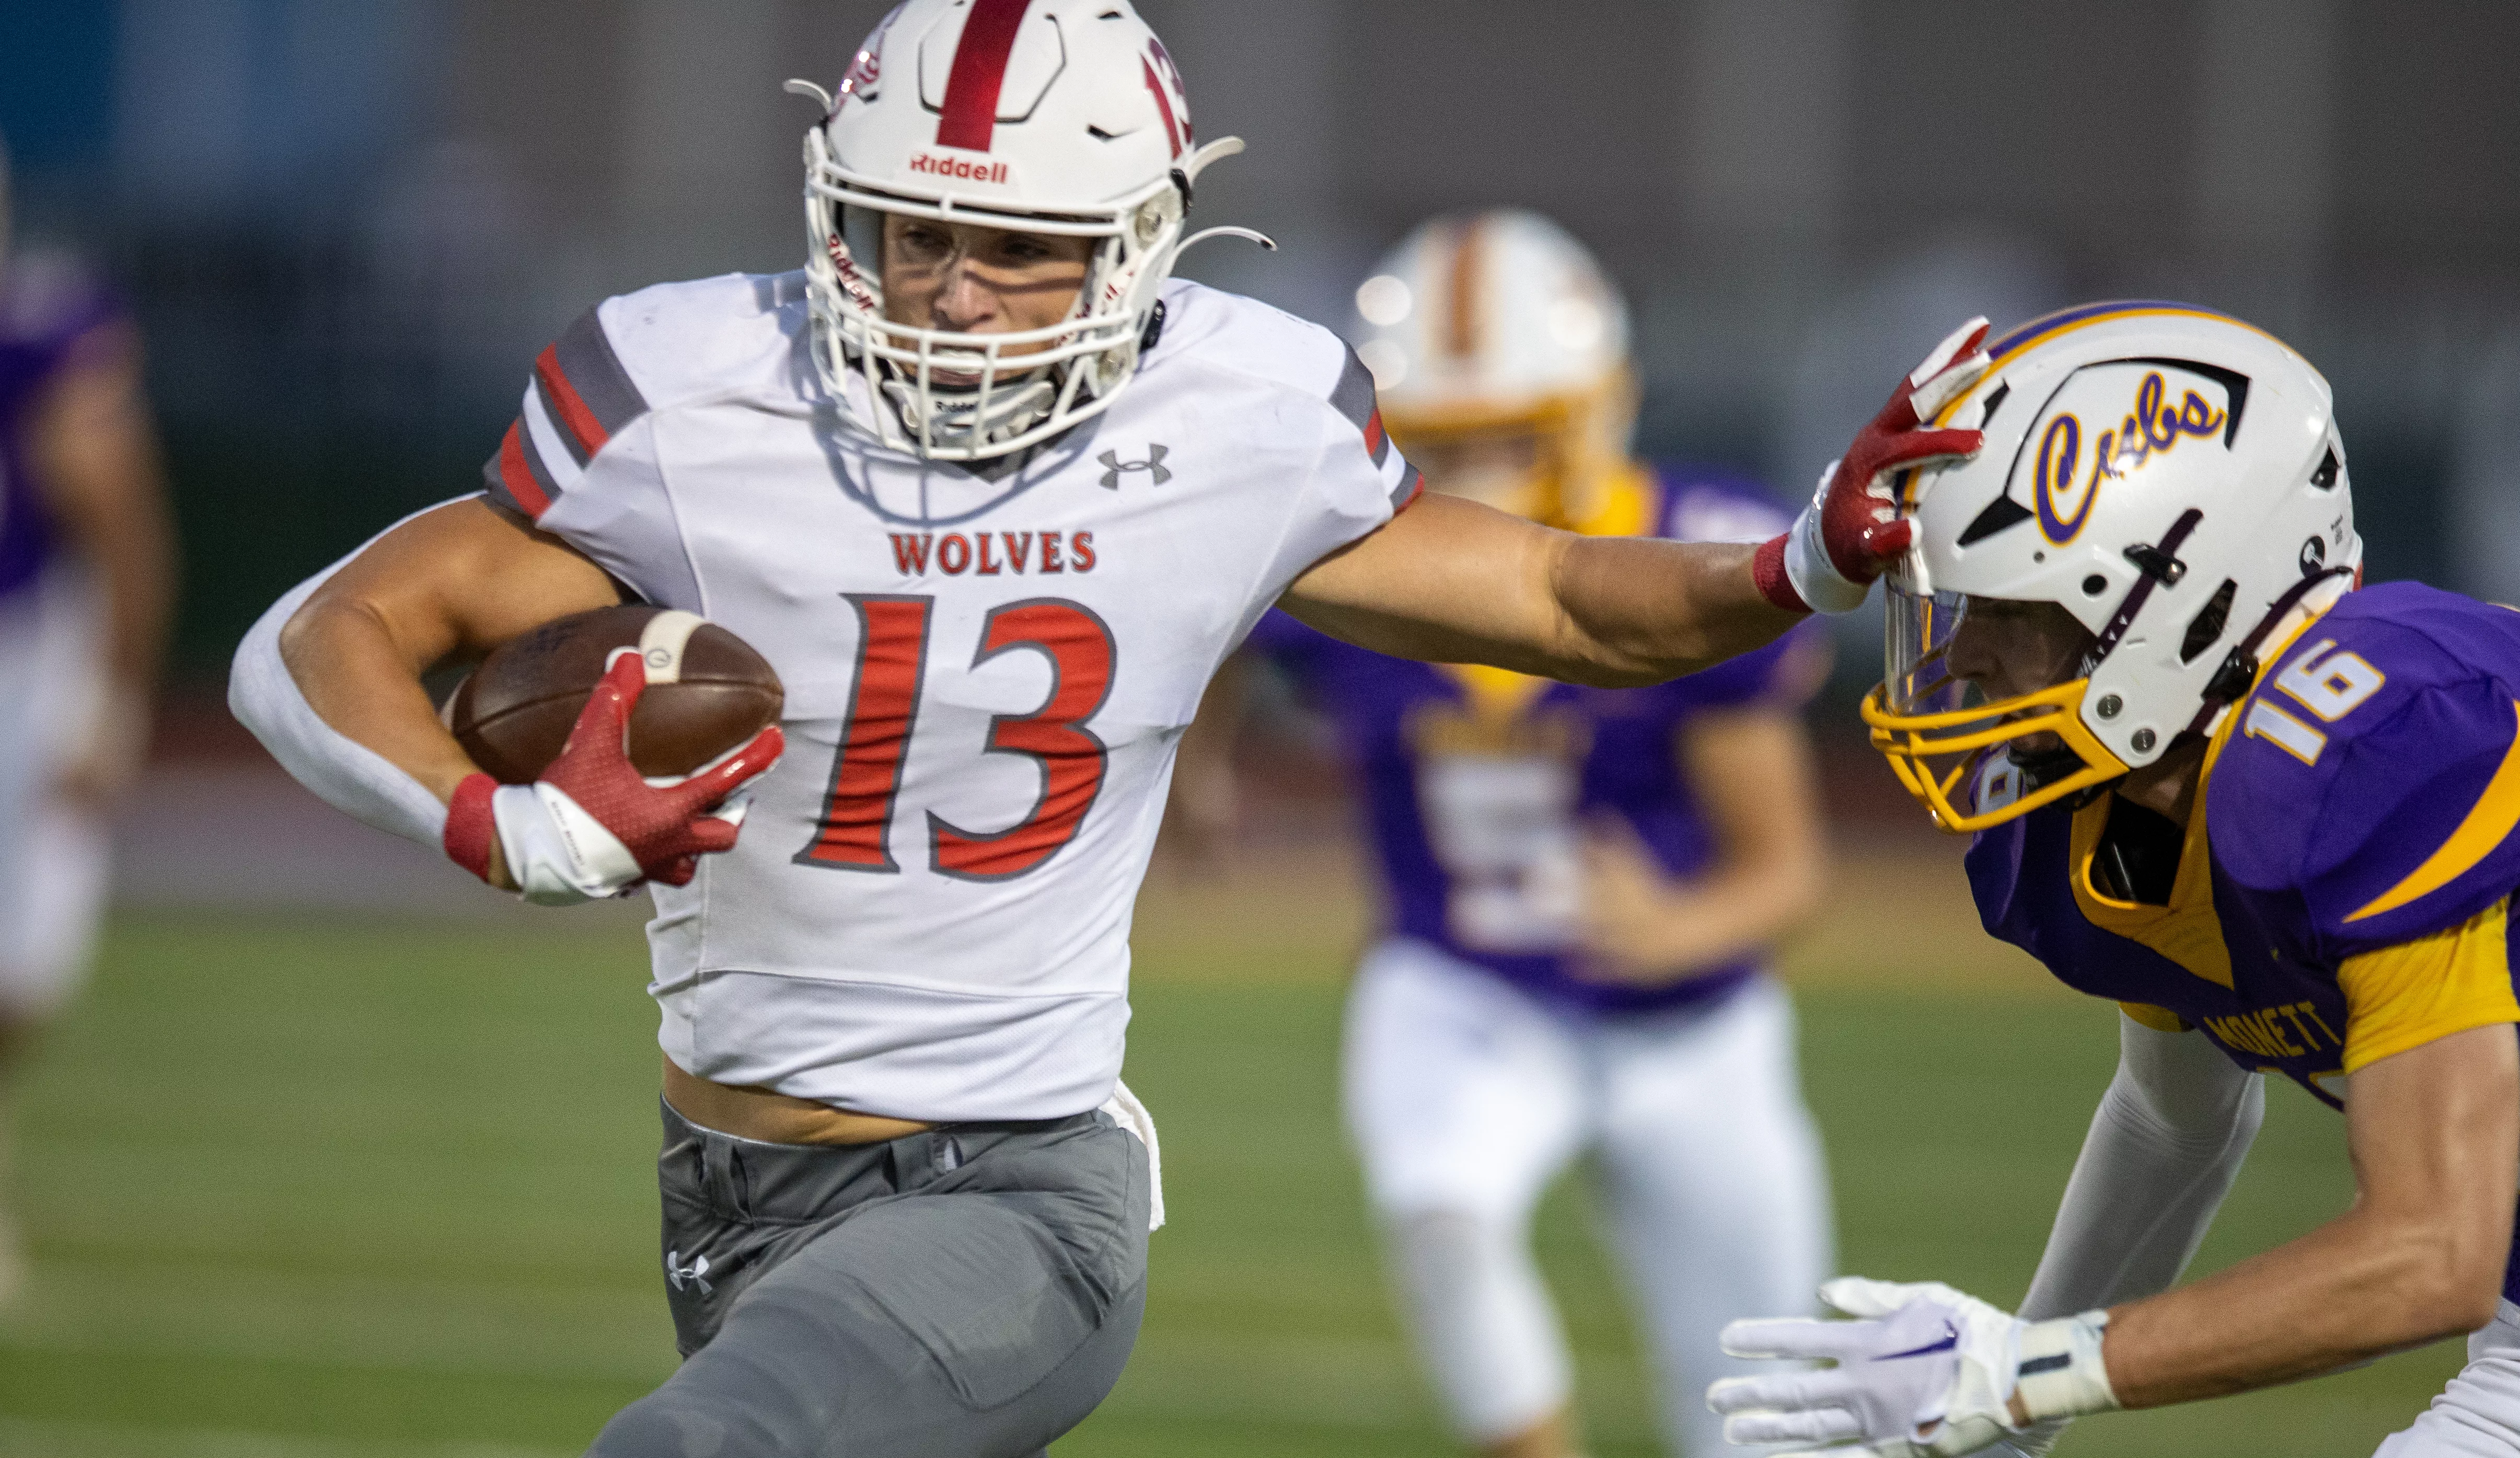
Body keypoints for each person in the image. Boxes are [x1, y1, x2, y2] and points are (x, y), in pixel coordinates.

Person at [228, 3, 1974, 1452]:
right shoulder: (687, 400)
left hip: (1012, 1190)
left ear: (1139, 247)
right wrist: (501, 821)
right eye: (916, 230)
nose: (958, 291)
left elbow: (1566, 601)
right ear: (843, 210)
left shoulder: (1241, 417)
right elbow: (325, 635)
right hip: (728, 1179)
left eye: (1021, 245)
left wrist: (1796, 557)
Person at [1710, 302, 2520, 1458]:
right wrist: (1999, 1410)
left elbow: (2430, 1253)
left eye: (2003, 605)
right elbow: (2170, 1116)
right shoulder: (2117, 817)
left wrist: (2022, 1373)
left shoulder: (2370, 739)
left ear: (2172, 598)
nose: (1962, 655)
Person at [1174, 210, 1833, 1458]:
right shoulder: (1346, 566)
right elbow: (1224, 628)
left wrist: (1680, 923)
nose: (1475, 485)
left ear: (1596, 413)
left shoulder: (1680, 571)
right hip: (1459, 981)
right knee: (1441, 1214)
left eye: (1511, 441)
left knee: (1762, 1410)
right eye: (1445, 446)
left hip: (1687, 1024)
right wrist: (1194, 778)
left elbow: (1788, 868)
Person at [0, 138, 177, 1305]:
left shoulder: (48, 333)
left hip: (28, 650)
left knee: (30, 964)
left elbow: (125, 527)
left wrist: (113, 704)